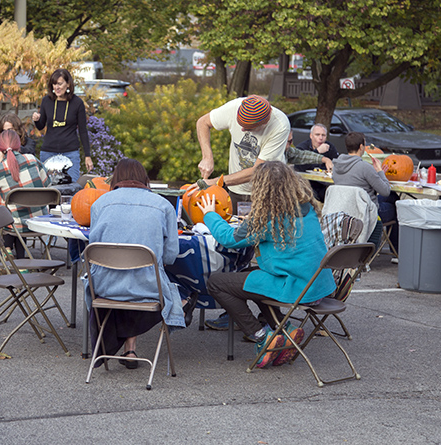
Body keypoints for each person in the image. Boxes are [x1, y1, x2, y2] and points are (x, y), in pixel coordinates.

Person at [198, 161, 333, 368]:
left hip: (295, 288)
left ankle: (261, 336)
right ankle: (284, 329)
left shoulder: (267, 219)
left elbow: (228, 238)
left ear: (262, 188)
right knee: (252, 277)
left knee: (217, 283)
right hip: (316, 285)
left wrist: (209, 214)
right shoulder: (307, 206)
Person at [86, 158, 186, 368]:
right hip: (147, 288)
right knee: (145, 278)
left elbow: (94, 249)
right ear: (145, 179)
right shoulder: (163, 205)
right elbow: (170, 256)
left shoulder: (99, 203)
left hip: (104, 287)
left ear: (115, 178)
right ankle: (129, 348)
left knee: (120, 276)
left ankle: (128, 349)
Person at [192, 95, 290, 214]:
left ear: (264, 124)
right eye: (241, 125)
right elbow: (202, 122)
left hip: (268, 191)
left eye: (248, 128)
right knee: (234, 227)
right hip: (236, 190)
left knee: (264, 230)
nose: (242, 130)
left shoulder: (280, 125)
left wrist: (216, 182)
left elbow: (258, 170)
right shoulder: (234, 107)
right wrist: (207, 157)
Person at [0, 129, 52, 258]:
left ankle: (6, 250)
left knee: (4, 202)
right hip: (39, 222)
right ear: (19, 145)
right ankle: (21, 259)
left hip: (13, 225)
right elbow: (47, 183)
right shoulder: (32, 160)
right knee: (16, 211)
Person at [32, 68, 93, 183]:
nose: (57, 87)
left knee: (72, 187)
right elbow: (41, 126)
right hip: (48, 152)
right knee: (48, 188)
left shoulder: (77, 103)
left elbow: (83, 131)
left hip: (70, 152)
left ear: (68, 84)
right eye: (54, 84)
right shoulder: (46, 101)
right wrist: (36, 120)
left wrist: (87, 156)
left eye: (60, 84)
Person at [331, 132, 391, 245]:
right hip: (365, 212)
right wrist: (380, 171)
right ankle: (396, 251)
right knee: (393, 204)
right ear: (361, 147)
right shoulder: (365, 167)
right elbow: (385, 191)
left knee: (391, 198)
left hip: (344, 211)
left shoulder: (336, 166)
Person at [294, 123, 339, 201]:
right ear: (311, 136)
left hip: (325, 183)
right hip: (307, 184)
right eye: (317, 135)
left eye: (323, 135)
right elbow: (300, 167)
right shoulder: (302, 148)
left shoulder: (329, 147)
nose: (320, 138)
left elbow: (336, 163)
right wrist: (317, 151)